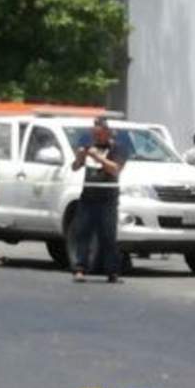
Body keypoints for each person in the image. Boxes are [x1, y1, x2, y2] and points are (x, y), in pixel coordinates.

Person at [70, 117, 126, 283]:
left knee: (108, 235)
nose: (97, 137)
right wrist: (80, 157)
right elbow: (75, 167)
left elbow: (115, 169)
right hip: (88, 197)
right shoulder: (89, 147)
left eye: (100, 134)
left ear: (107, 133)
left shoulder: (117, 148)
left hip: (107, 199)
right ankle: (80, 269)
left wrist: (98, 158)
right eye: (94, 134)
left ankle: (112, 272)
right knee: (83, 233)